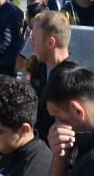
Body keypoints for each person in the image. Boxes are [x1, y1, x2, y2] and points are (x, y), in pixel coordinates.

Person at [26, 11, 80, 142]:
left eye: (34, 39)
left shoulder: (70, 80)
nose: (31, 43)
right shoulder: (40, 69)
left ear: (50, 42)